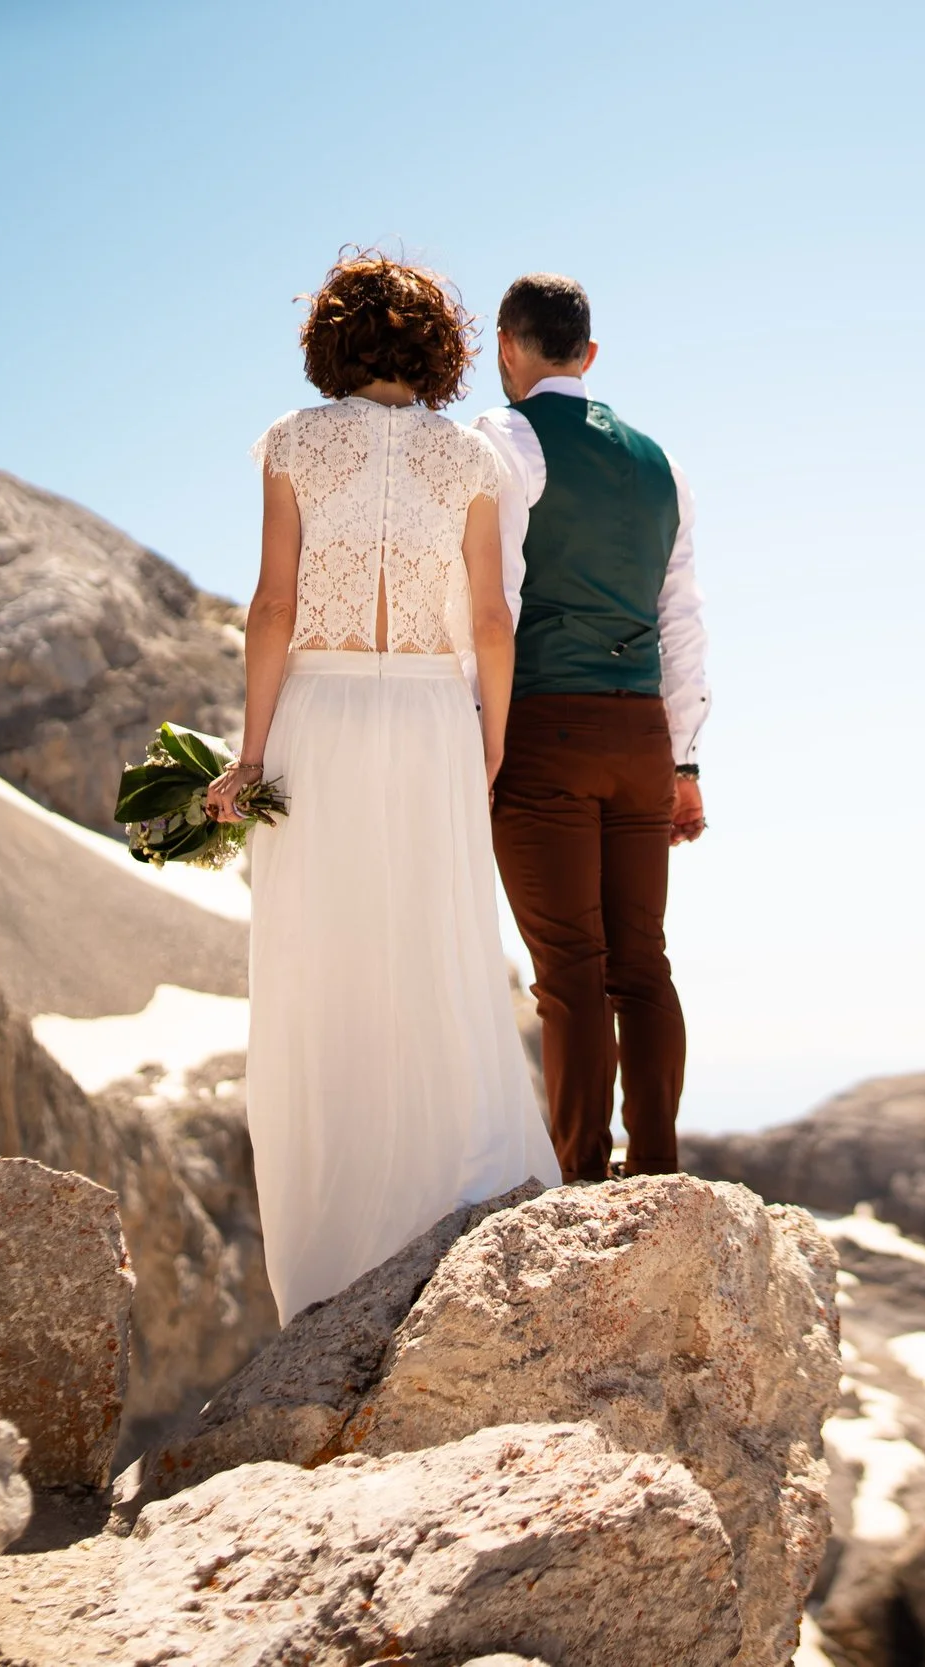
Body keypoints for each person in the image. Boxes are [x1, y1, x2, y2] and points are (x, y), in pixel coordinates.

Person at [210, 251, 559, 1322]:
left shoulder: (292, 442)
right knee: (435, 953)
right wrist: (489, 741)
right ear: (438, 348)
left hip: (315, 715)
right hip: (427, 722)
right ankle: (451, 1222)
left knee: (317, 963)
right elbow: (492, 620)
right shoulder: (467, 461)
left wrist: (250, 751)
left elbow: (272, 606)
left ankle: (327, 1266)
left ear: (333, 342)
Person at [472, 274, 709, 1185]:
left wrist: (479, 735)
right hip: (643, 735)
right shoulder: (663, 465)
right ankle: (657, 1174)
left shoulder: (502, 439)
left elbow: (494, 602)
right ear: (590, 355)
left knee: (570, 969)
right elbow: (682, 621)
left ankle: (582, 1183)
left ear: (507, 346)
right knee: (640, 962)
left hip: (545, 729)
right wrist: (683, 759)